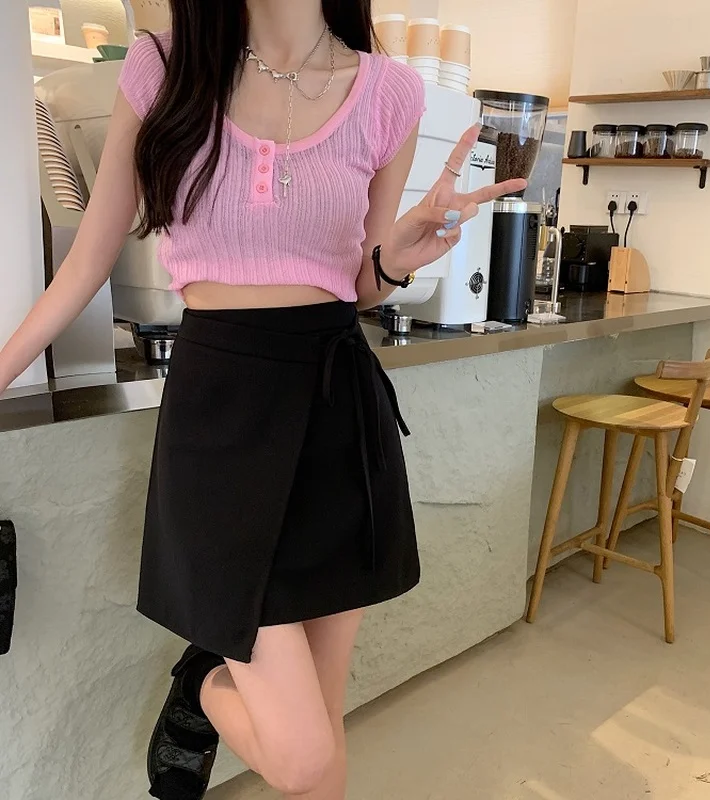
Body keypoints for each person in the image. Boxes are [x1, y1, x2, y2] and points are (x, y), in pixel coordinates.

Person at [0, 1, 524, 797]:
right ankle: (207, 683)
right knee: (302, 756)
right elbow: (85, 262)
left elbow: (357, 285)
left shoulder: (389, 92)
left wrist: (397, 258)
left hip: (336, 413)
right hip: (219, 417)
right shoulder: (164, 68)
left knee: (322, 746)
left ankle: (211, 678)